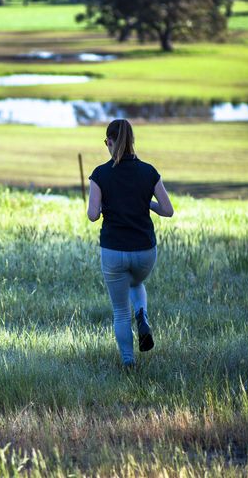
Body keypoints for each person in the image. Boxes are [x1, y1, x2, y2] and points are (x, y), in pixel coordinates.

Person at [87, 119, 173, 368]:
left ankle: (128, 363)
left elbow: (92, 215)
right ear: (132, 142)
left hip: (113, 251)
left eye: (106, 142)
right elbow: (167, 210)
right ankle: (143, 315)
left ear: (111, 142)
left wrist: (103, 205)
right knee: (136, 281)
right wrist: (148, 204)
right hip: (145, 251)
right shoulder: (148, 171)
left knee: (120, 312)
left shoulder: (100, 174)